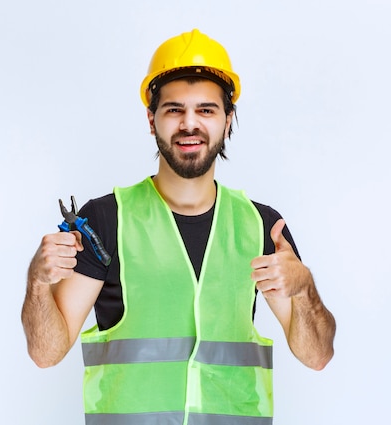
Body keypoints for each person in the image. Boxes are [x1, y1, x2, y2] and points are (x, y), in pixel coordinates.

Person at [22, 28, 336, 424]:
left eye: (206, 110)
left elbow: (318, 355)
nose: (190, 124)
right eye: (174, 110)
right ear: (152, 120)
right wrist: (37, 281)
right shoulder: (106, 220)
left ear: (227, 120)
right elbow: (45, 352)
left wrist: (304, 287)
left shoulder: (262, 227)